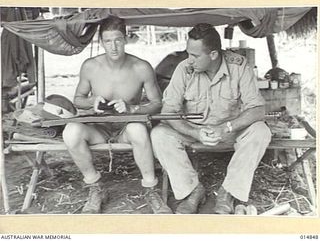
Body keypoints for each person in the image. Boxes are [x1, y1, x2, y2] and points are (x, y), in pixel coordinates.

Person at [151, 23, 272, 214]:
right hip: (194, 131)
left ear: (214, 55)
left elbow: (258, 109)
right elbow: (168, 112)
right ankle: (193, 191)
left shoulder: (238, 66)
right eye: (188, 53)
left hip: (231, 130)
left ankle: (228, 193)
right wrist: (195, 132)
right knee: (159, 134)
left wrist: (227, 127)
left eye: (195, 56)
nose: (189, 60)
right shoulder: (184, 69)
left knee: (261, 131)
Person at [62, 15, 172, 214]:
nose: (113, 47)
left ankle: (151, 190)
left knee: (138, 129)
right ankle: (95, 188)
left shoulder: (141, 67)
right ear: (101, 42)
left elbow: (157, 103)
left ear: (126, 39)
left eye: (118, 40)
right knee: (71, 132)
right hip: (99, 127)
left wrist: (132, 108)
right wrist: (91, 101)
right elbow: (78, 99)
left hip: (126, 127)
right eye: (108, 41)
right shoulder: (90, 66)